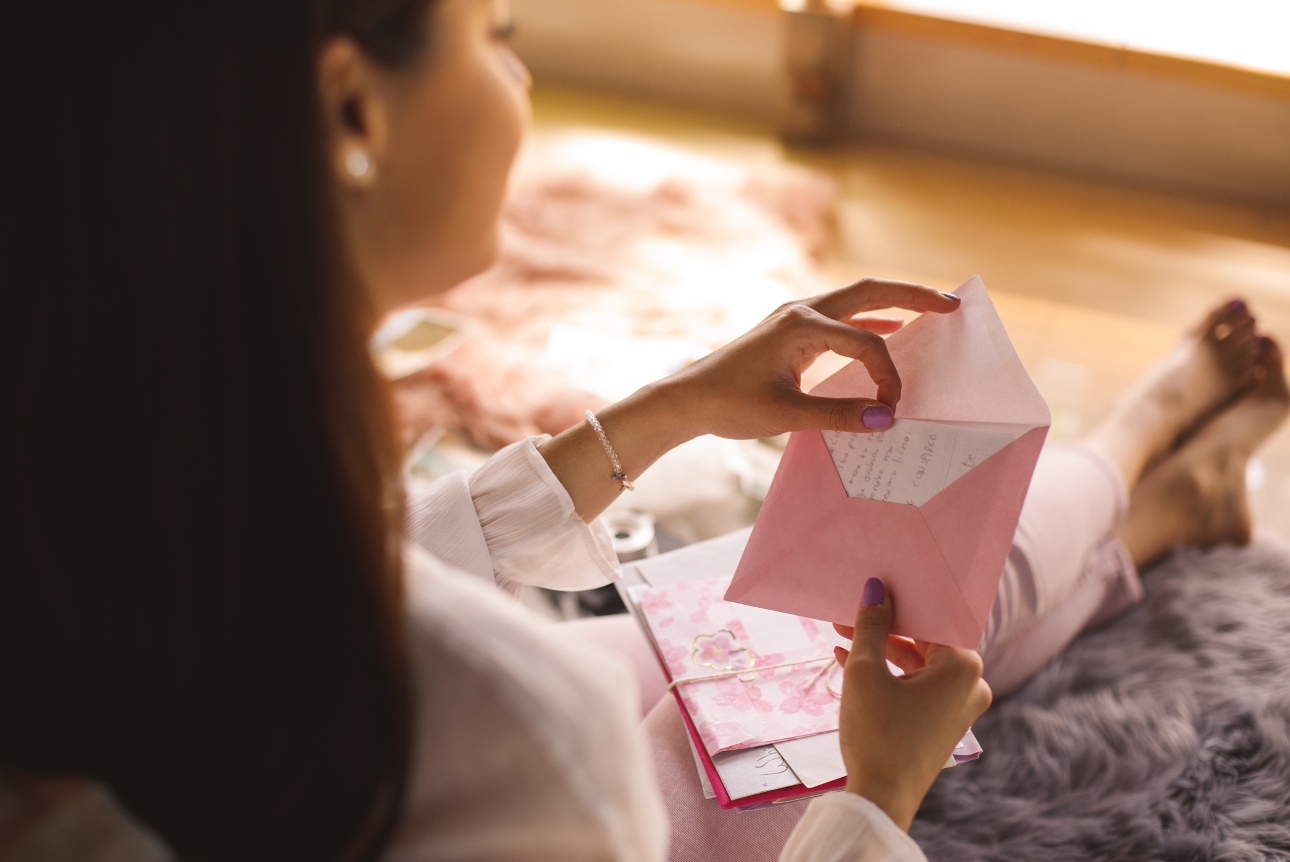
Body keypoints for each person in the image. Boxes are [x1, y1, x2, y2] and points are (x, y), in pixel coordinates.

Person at [1, 2, 1285, 862]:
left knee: (836, 613)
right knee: (924, 620)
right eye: (496, 33)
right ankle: (1138, 451)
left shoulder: (119, 500)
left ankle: (1157, 501)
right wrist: (873, 800)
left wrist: (677, 405)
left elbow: (337, 589)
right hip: (636, 806)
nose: (521, 76)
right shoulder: (515, 736)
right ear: (352, 114)